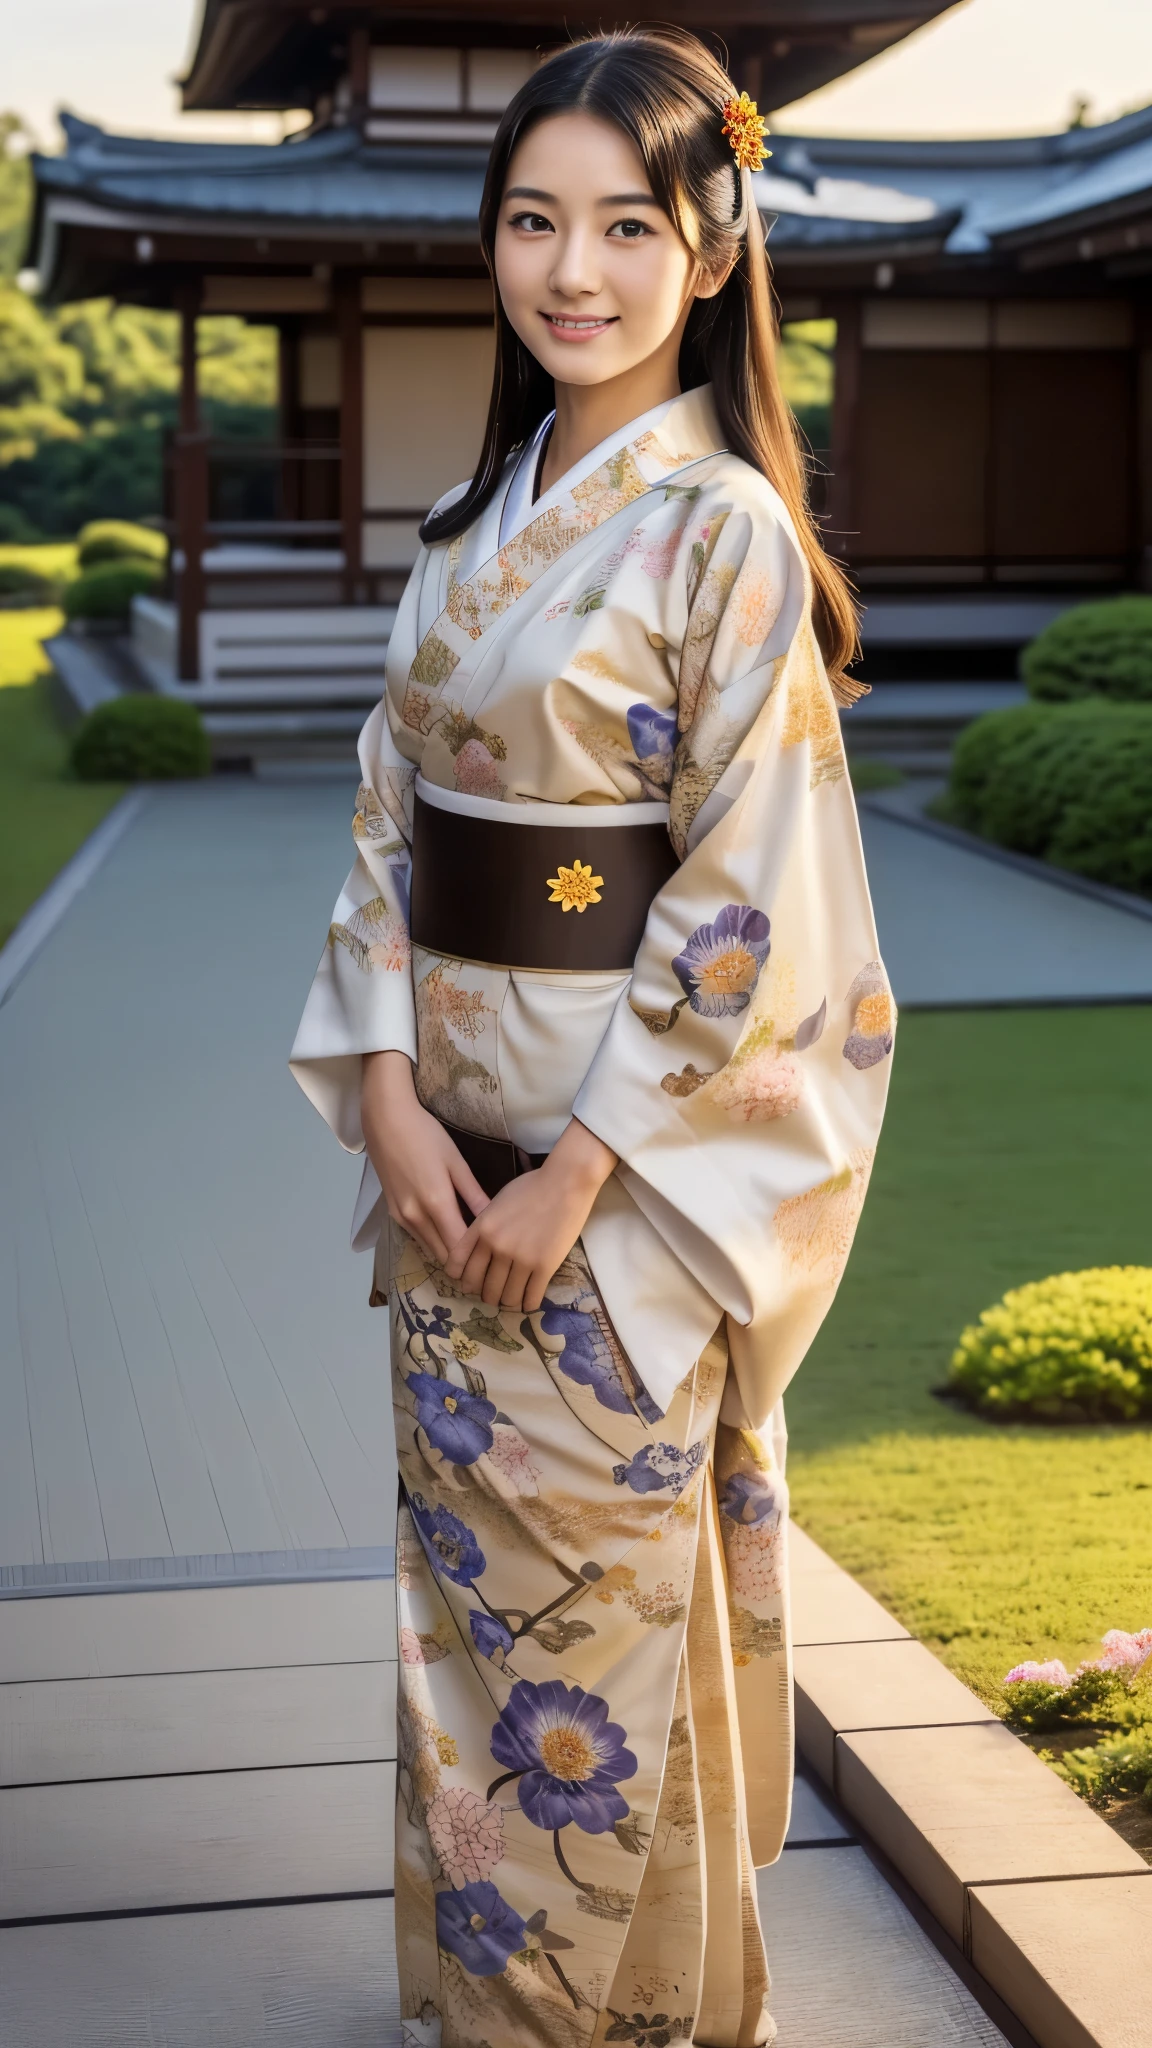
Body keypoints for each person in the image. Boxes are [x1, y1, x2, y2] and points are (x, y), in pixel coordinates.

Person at [291, 27, 894, 2046]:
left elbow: (749, 898)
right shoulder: (477, 524)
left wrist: (580, 1166)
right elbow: (391, 813)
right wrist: (384, 1085)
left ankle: (623, 2020)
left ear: (712, 252)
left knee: (612, 1653)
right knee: (474, 1644)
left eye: (628, 226)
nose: (577, 270)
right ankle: (495, 2006)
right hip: (446, 1172)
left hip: (608, 1210)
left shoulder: (722, 532)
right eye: (534, 220)